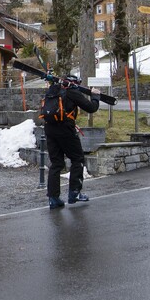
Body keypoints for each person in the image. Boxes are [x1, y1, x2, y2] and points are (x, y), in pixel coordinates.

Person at [42, 75, 101, 209]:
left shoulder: (52, 90)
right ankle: (74, 192)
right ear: (75, 84)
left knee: (56, 163)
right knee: (77, 158)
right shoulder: (72, 92)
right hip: (65, 129)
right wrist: (95, 96)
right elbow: (91, 108)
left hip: (49, 128)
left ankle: (53, 198)